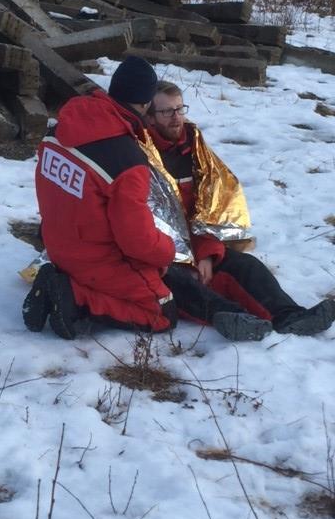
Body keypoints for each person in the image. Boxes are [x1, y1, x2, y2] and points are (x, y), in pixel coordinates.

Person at [22, 57, 275, 341]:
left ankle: (234, 313)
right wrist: (167, 252)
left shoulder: (57, 133)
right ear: (145, 106)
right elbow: (136, 241)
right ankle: (75, 296)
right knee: (161, 314)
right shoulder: (126, 159)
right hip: (96, 259)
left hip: (57, 244)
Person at [145, 79, 335, 336]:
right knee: (177, 284)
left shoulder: (194, 149)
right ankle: (236, 320)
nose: (176, 117)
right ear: (150, 117)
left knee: (247, 267)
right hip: (163, 257)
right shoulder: (141, 154)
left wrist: (207, 254)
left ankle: (289, 316)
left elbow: (211, 208)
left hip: (197, 246)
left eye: (180, 109)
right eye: (167, 111)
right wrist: (177, 259)